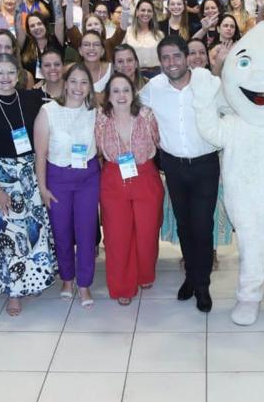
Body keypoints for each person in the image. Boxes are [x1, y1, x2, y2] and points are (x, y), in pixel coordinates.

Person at [0, 53, 56, 316]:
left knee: (35, 232)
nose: (5, 78)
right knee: (7, 238)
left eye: (10, 72)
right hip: (2, 179)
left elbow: (66, 104)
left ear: (18, 76)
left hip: (31, 174)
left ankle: (34, 279)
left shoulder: (33, 99)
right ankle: (13, 292)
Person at [139, 36, 219, 312]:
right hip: (173, 165)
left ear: (186, 57)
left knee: (202, 225)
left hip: (206, 164)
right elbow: (130, 107)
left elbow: (231, 112)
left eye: (176, 56)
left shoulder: (208, 84)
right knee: (184, 225)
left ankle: (203, 284)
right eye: (165, 58)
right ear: (160, 62)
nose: (171, 63)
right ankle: (191, 278)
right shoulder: (154, 87)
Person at [34, 64, 100, 308]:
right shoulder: (48, 111)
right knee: (61, 232)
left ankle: (84, 284)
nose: (78, 87)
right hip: (58, 178)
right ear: (65, 82)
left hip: (88, 178)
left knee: (86, 232)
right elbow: (40, 153)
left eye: (84, 82)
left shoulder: (95, 110)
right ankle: (67, 279)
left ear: (89, 87)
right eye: (74, 81)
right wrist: (43, 187)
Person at [96, 73, 164, 306]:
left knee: (147, 232)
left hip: (145, 175)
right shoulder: (101, 119)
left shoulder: (146, 115)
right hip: (114, 179)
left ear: (133, 92)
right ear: (108, 95)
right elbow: (96, 149)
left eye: (125, 90)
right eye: (115, 91)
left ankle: (145, 273)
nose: (121, 95)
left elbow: (159, 140)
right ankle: (122, 285)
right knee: (117, 236)